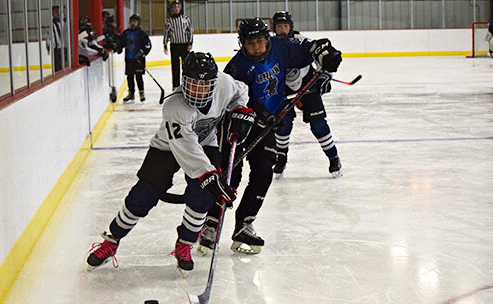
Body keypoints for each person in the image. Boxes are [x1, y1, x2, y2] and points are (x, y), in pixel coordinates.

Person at [85, 52, 254, 275]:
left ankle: (184, 245)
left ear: (214, 83)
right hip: (167, 147)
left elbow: (241, 90)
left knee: (202, 199)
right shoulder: (175, 106)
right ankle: (112, 240)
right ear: (184, 82)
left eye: (204, 86)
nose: (197, 92)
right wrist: (208, 176)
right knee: (142, 196)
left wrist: (241, 110)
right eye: (192, 85)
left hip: (205, 144)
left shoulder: (224, 84)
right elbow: (188, 149)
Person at [198, 18, 342, 256]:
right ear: (242, 44)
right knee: (230, 175)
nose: (256, 46)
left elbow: (309, 48)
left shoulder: (281, 47)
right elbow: (231, 102)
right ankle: (212, 223)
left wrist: (326, 53)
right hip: (238, 126)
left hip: (267, 126)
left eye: (260, 41)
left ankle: (244, 223)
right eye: (250, 42)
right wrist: (256, 113)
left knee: (264, 171)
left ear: (267, 38)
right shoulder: (237, 68)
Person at [271, 11, 342, 179]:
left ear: (291, 27)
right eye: (279, 26)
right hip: (283, 90)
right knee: (283, 125)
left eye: (285, 26)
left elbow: (323, 54)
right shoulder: (270, 45)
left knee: (318, 125)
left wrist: (326, 75)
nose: (282, 30)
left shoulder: (302, 41)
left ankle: (334, 158)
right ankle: (281, 158)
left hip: (307, 85)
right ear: (274, 28)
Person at [117, 14, 151, 103]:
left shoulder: (142, 33)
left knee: (139, 76)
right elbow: (121, 42)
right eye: (132, 21)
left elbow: (148, 45)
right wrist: (118, 48)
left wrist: (142, 53)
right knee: (130, 76)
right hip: (129, 58)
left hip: (138, 59)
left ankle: (141, 93)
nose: (133, 23)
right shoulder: (126, 33)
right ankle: (131, 94)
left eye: (135, 21)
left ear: (138, 23)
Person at [163, 0, 193, 90]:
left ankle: (186, 84)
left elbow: (190, 31)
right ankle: (175, 86)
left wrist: (190, 43)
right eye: (174, 7)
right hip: (174, 46)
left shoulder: (186, 19)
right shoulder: (169, 21)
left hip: (184, 45)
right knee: (175, 67)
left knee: (186, 66)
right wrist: (165, 45)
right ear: (172, 9)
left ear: (180, 8)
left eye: (177, 7)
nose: (176, 9)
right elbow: (166, 34)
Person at [46, 5, 68, 71]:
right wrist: (48, 48)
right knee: (58, 68)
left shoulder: (64, 22)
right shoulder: (51, 25)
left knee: (65, 66)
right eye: (55, 12)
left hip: (65, 48)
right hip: (57, 50)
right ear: (52, 13)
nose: (58, 13)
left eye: (59, 11)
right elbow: (48, 37)